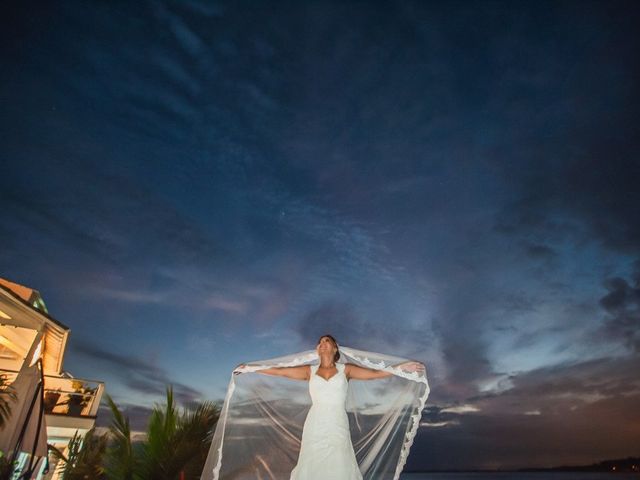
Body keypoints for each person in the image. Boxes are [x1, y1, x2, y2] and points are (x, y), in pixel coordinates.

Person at [235, 335, 424, 480]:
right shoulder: (309, 371)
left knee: (339, 463)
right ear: (318, 350)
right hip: (315, 423)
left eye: (327, 341)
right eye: (320, 342)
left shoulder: (346, 370)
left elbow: (374, 373)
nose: (323, 343)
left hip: (337, 423)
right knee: (313, 463)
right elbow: (280, 371)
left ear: (335, 348)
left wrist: (401, 368)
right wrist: (251, 368)